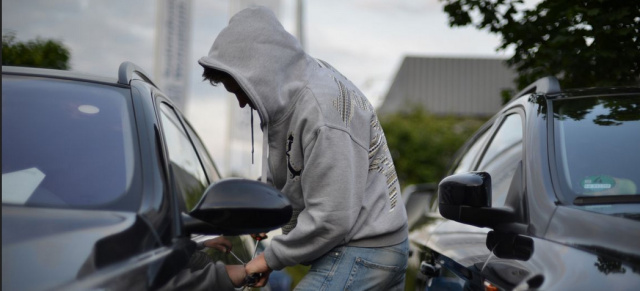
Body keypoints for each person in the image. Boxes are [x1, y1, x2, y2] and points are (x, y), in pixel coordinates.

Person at [199, 6, 409, 290]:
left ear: (258, 73)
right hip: (362, 246)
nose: (241, 102)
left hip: (364, 249)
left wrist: (266, 260)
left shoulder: (321, 111)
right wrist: (245, 220)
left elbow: (332, 218)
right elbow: (296, 177)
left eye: (239, 90)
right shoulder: (291, 97)